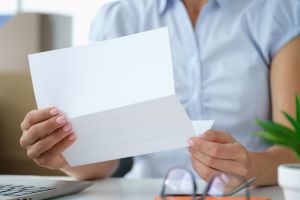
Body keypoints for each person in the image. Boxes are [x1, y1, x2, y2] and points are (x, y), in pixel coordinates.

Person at [20, 0, 300, 186]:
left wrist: (251, 166)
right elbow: (104, 161)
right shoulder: (121, 16)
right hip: (147, 191)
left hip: (249, 193)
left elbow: (293, 150)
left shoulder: (276, 10)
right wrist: (65, 154)